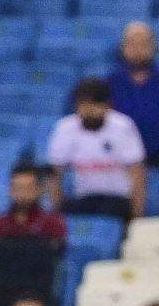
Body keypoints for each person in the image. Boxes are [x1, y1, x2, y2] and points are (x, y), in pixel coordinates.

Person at [46, 78, 146, 224]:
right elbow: (54, 172)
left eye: (94, 105)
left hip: (117, 199)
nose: (89, 111)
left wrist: (137, 214)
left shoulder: (123, 126)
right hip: (83, 198)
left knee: (107, 219)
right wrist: (57, 208)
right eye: (83, 105)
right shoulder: (65, 128)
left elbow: (137, 172)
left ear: (107, 106)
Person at [0, 168, 66, 306]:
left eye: (28, 188)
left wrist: (6, 247)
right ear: (10, 190)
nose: (23, 193)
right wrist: (33, 247)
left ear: (39, 190)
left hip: (39, 297)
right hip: (0, 295)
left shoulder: (53, 223)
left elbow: (52, 253)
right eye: (18, 187)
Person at [107, 22, 159, 176]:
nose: (138, 50)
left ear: (154, 48)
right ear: (123, 48)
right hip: (120, 162)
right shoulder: (111, 82)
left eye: (143, 44)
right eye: (132, 44)